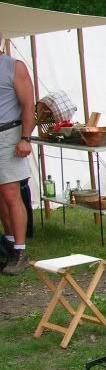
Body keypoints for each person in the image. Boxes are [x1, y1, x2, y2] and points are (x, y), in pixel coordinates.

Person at [0, 34, 35, 276]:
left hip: (9, 135)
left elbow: (28, 104)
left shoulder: (14, 66)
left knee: (11, 193)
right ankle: (10, 244)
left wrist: (25, 138)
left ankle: (21, 252)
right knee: (1, 196)